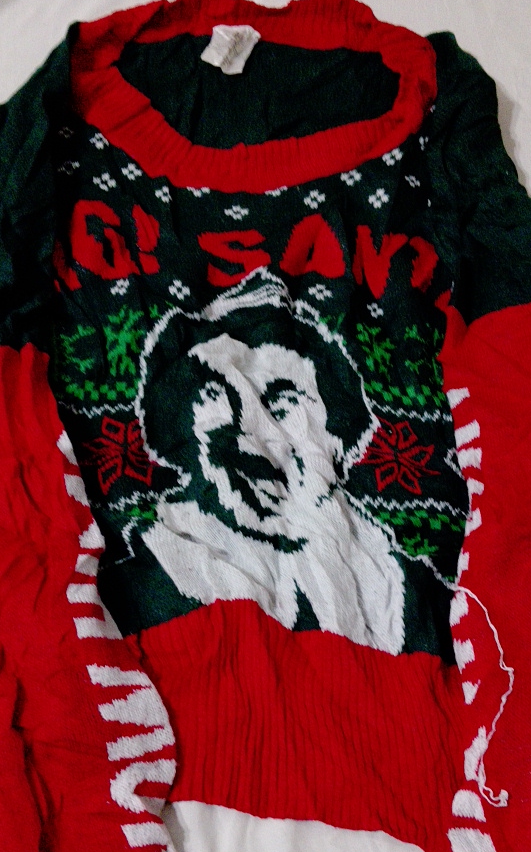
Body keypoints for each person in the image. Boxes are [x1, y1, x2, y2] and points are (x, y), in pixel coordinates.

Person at [135, 272, 410, 654]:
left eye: (283, 405)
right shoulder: (166, 542)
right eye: (220, 399)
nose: (261, 434)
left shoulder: (381, 564)